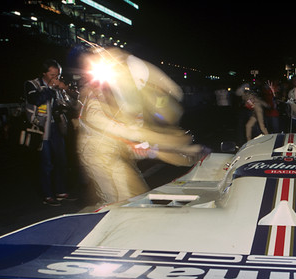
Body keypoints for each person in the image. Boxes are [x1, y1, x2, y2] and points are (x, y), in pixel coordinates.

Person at [77, 48, 202, 206]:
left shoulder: (130, 105)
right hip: (100, 156)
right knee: (122, 203)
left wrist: (183, 155)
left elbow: (144, 142)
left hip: (117, 155)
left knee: (137, 198)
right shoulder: (97, 99)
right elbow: (126, 132)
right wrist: (177, 144)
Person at [24, 59, 77, 206]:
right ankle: (47, 195)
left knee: (61, 160)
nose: (56, 78)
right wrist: (52, 89)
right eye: (52, 74)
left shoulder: (59, 86)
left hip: (56, 128)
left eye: (58, 75)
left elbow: (72, 104)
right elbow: (36, 100)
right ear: (44, 73)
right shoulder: (32, 84)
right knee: (46, 163)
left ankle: (61, 192)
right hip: (41, 129)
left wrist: (65, 89)